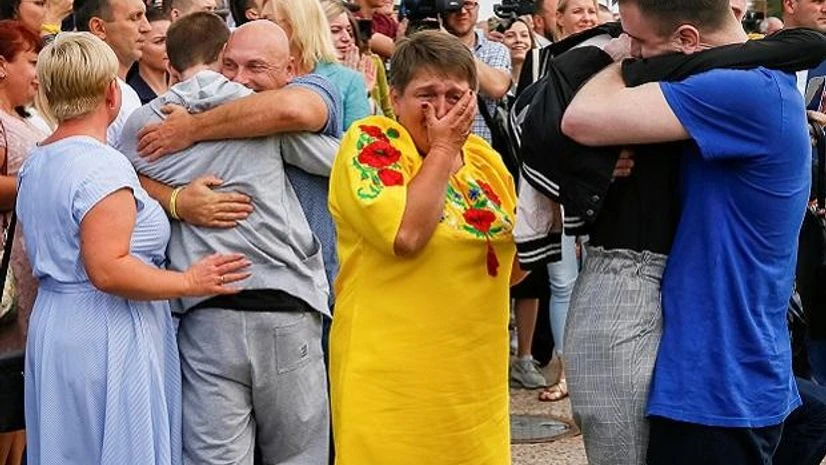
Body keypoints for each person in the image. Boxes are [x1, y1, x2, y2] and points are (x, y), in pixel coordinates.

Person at [562, 0, 809, 463]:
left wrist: (616, 64)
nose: (627, 45)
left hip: (718, 387)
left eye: (636, 39)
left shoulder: (741, 92)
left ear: (688, 41)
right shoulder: (757, 84)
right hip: (726, 376)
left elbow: (582, 119)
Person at [18, 31, 249, 465]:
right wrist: (189, 280)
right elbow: (108, 269)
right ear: (110, 93)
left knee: (70, 447)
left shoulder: (39, 159)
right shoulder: (101, 165)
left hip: (57, 326)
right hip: (107, 331)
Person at [120, 14, 335, 464]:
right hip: (284, 302)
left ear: (171, 66)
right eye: (234, 66)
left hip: (206, 314)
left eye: (254, 68)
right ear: (219, 61)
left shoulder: (146, 120)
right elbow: (345, 163)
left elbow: (114, 180)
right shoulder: (262, 115)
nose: (241, 80)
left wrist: (175, 198)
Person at [328, 30, 520, 465]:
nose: (442, 107)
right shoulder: (371, 142)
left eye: (456, 94)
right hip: (392, 385)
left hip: (472, 386)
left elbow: (512, 269)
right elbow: (406, 236)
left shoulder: (486, 161)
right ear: (395, 99)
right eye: (426, 94)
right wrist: (444, 148)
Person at [0, 20, 43, 465]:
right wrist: (43, 176)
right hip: (8, 284)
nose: (37, 73)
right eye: (30, 61)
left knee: (20, 419)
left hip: (29, 280)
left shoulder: (27, 116)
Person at [266, 0, 369, 131]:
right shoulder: (254, 74)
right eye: (336, 30)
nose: (346, 38)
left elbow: (358, 143)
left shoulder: (350, 80)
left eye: (269, 21)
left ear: (297, 24)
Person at [73, 0, 149, 146]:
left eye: (145, 16)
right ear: (99, 28)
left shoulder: (126, 92)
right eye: (135, 17)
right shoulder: (95, 90)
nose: (147, 27)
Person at [442, 0, 511, 146]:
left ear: (477, 7)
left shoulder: (494, 49)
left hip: (481, 150)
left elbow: (497, 87)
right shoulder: (427, 49)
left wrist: (452, 45)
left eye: (467, 4)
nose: (462, 11)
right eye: (454, 5)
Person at [320, 0, 393, 118]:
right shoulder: (307, 75)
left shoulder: (368, 64)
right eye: (335, 31)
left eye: (350, 32)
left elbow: (379, 124)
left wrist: (364, 92)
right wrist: (349, 86)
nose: (346, 38)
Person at [126, 7, 169, 104]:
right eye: (159, 41)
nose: (169, 47)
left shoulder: (185, 84)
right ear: (138, 47)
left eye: (172, 39)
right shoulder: (131, 97)